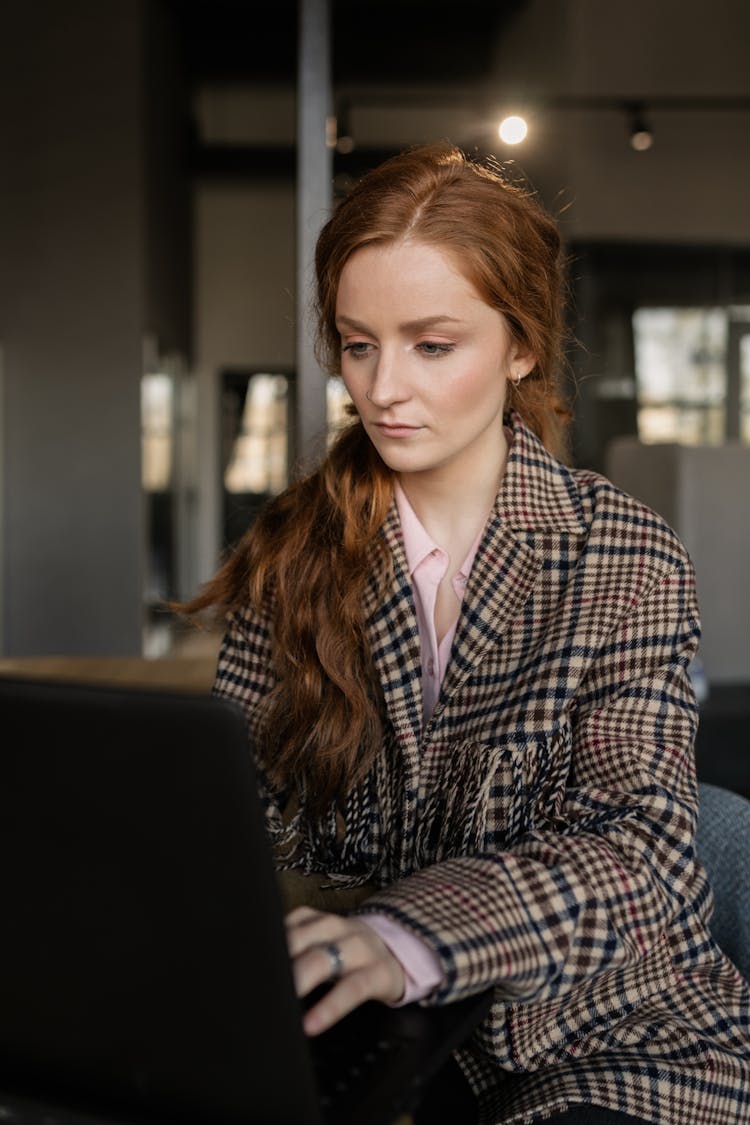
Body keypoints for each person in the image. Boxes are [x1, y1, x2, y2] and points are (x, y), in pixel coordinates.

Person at [175, 143, 750, 1124]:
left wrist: (408, 932)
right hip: (376, 1034)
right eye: (360, 345)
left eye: (431, 346)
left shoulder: (622, 554)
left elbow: (640, 855)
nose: (384, 389)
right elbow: (239, 823)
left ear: (520, 347)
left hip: (608, 1031)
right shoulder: (294, 555)